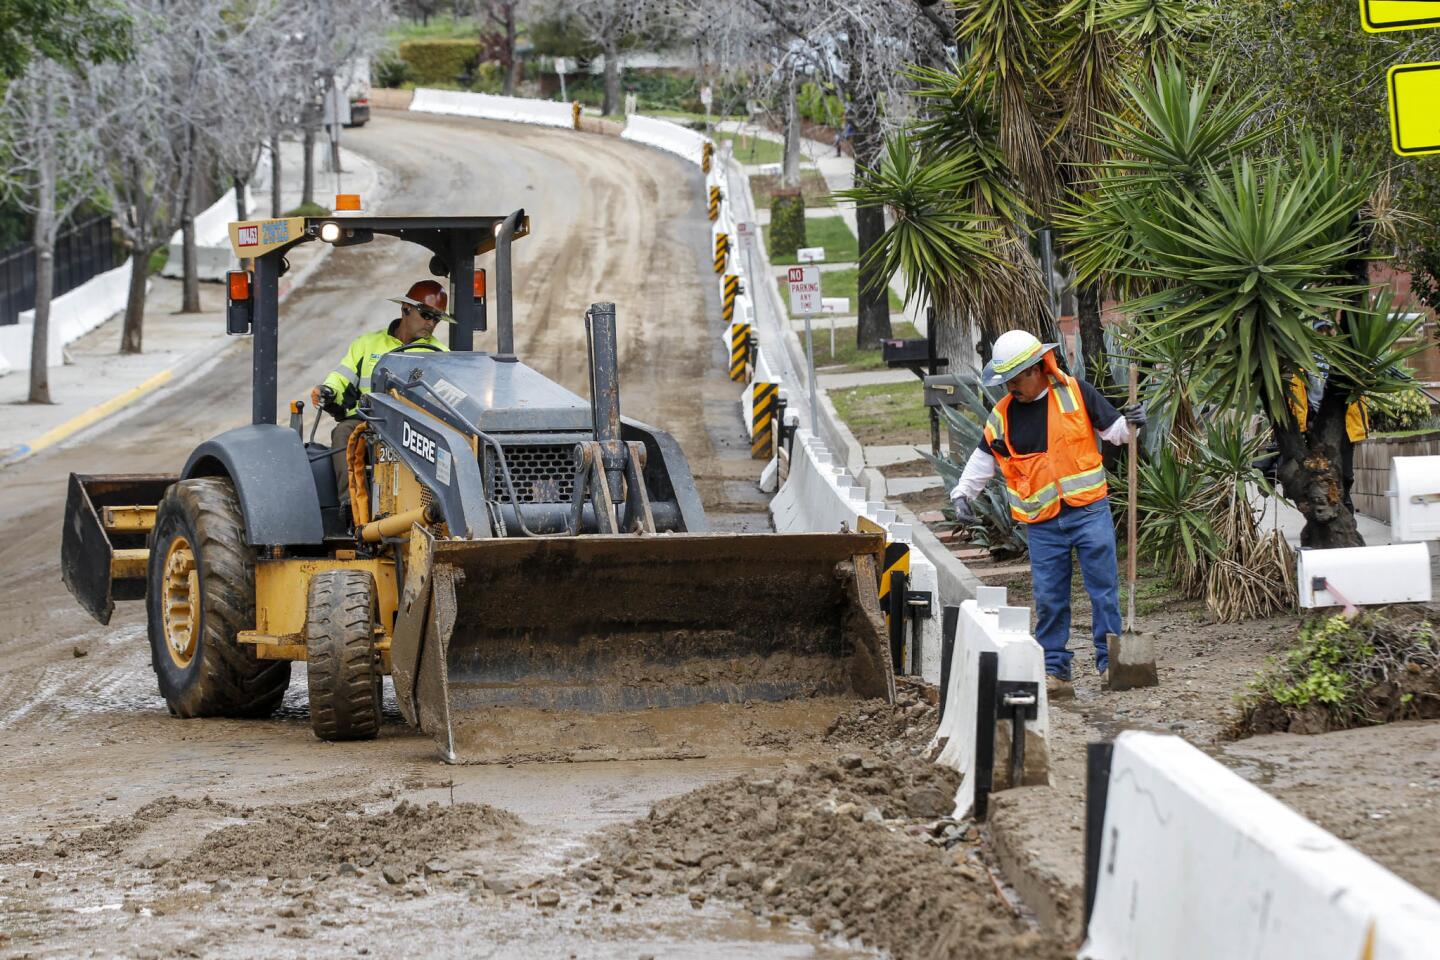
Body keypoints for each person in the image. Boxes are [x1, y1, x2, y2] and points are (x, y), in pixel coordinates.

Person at [948, 331, 1146, 698]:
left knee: (1103, 591)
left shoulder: (1076, 393)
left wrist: (1132, 421)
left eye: (1016, 377)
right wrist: (962, 494)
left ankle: (1110, 663)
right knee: (1050, 598)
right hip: (1042, 525)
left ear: (1038, 368)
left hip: (1089, 511)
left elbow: (1115, 431)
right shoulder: (1002, 415)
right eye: (1005, 380)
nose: (1011, 386)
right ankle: (1055, 670)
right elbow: (983, 459)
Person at [311, 279, 452, 517]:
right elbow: (342, 375)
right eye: (426, 314)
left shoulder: (441, 355)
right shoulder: (367, 344)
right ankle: (351, 509)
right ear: (406, 309)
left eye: (436, 318)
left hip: (415, 428)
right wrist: (328, 389)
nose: (431, 323)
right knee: (344, 432)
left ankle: (434, 514)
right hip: (370, 423)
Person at [1288, 317, 1370, 515]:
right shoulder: (1304, 362)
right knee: (1317, 471)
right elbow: (1297, 392)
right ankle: (1328, 508)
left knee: (1347, 473)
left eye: (1327, 329)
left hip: (1343, 421)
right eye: (1320, 330)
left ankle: (1344, 503)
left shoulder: (1344, 359)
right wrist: (1303, 423)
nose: (1324, 333)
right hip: (1314, 423)